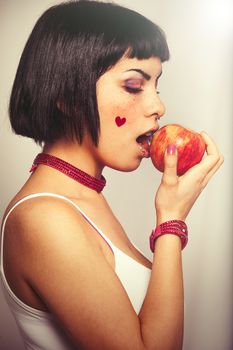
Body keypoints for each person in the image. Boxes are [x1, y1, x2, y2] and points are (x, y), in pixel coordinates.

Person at [0, 1, 223, 349]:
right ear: (67, 95)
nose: (158, 107)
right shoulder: (44, 218)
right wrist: (171, 220)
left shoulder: (83, 199)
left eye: (156, 87)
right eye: (134, 86)